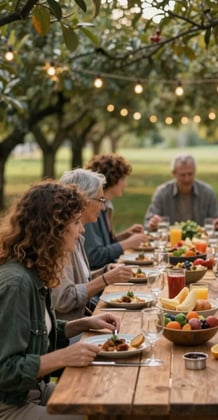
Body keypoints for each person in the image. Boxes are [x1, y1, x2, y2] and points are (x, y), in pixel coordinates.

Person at [0, 180, 120, 419]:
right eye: (76, 222)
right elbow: (5, 371)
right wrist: (64, 357)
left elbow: (35, 333)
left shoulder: (33, 271)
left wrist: (84, 324)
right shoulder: (16, 283)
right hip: (10, 404)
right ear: (53, 229)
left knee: (110, 399)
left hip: (34, 390)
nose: (82, 230)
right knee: (95, 415)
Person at [52, 169, 134, 322]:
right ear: (84, 200)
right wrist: (104, 279)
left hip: (85, 319)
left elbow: (80, 281)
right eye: (101, 200)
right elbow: (63, 300)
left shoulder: (77, 234)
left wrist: (104, 271)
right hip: (72, 332)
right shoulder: (61, 242)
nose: (103, 208)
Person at [83, 153, 149, 270]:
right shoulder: (91, 209)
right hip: (98, 276)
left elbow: (104, 245)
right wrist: (127, 244)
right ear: (112, 179)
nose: (125, 184)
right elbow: (94, 256)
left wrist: (124, 236)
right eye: (123, 178)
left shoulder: (105, 205)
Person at [144, 154, 218, 230]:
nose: (187, 179)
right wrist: (153, 223)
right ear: (174, 174)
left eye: (190, 174)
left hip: (200, 240)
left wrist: (217, 224)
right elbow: (147, 223)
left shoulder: (207, 192)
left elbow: (216, 221)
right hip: (170, 239)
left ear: (195, 172)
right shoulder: (162, 193)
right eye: (182, 175)